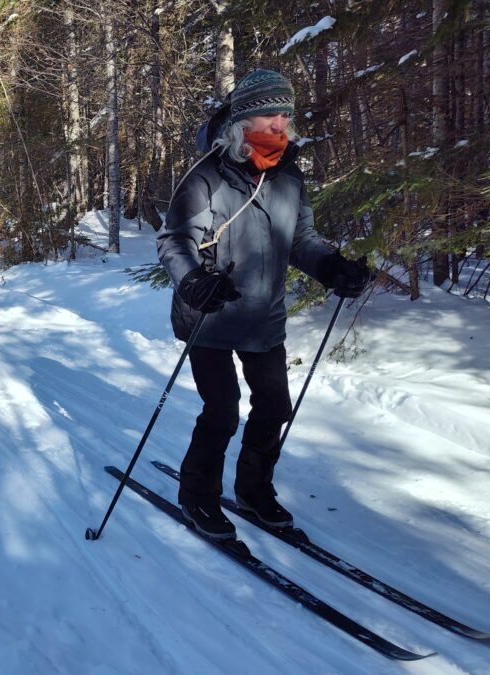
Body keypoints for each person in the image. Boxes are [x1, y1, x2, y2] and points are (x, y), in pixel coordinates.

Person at [156, 69, 372, 540]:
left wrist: (334, 268)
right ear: (242, 121)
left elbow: (302, 241)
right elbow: (175, 241)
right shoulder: (206, 176)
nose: (279, 124)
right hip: (208, 317)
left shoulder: (289, 178)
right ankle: (197, 496)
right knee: (222, 411)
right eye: (269, 114)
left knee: (274, 406)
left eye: (285, 116)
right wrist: (193, 282)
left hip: (264, 319)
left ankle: (253, 491)